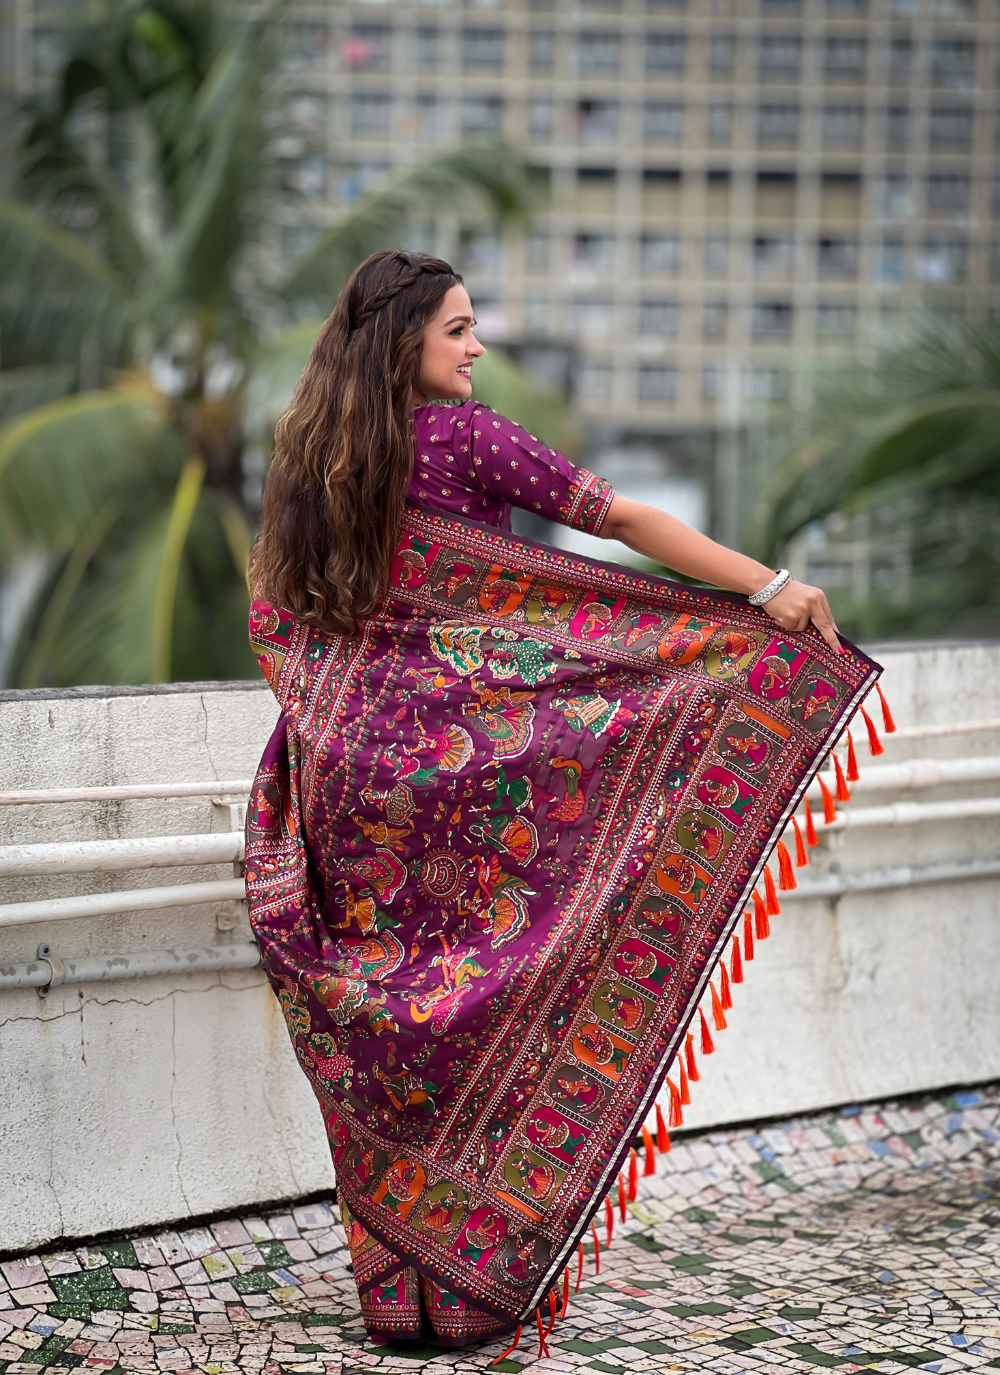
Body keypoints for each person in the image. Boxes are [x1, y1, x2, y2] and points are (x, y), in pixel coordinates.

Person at [244, 250, 880, 1350]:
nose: (476, 347)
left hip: (346, 792)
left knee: (384, 1037)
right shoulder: (465, 438)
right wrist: (767, 588)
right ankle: (475, 1284)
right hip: (453, 795)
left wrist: (344, 721)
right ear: (407, 343)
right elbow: (620, 521)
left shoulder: (308, 459)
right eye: (457, 329)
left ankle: (394, 1294)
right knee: (479, 1009)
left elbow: (279, 624)